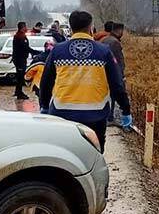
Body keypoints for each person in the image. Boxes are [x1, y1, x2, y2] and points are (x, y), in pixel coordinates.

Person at [38, 10, 131, 152]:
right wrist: (125, 109)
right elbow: (117, 84)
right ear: (90, 27)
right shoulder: (104, 51)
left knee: (66, 154)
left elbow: (46, 82)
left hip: (62, 114)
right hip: (96, 114)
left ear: (71, 27)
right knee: (94, 154)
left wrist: (44, 105)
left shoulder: (57, 51)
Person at [12, 22, 32, 100]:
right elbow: (25, 48)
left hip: (20, 58)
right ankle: (19, 93)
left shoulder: (20, 35)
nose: (26, 28)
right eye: (25, 27)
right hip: (20, 59)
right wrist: (35, 52)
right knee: (20, 76)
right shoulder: (20, 37)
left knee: (19, 76)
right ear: (22, 28)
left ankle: (18, 91)